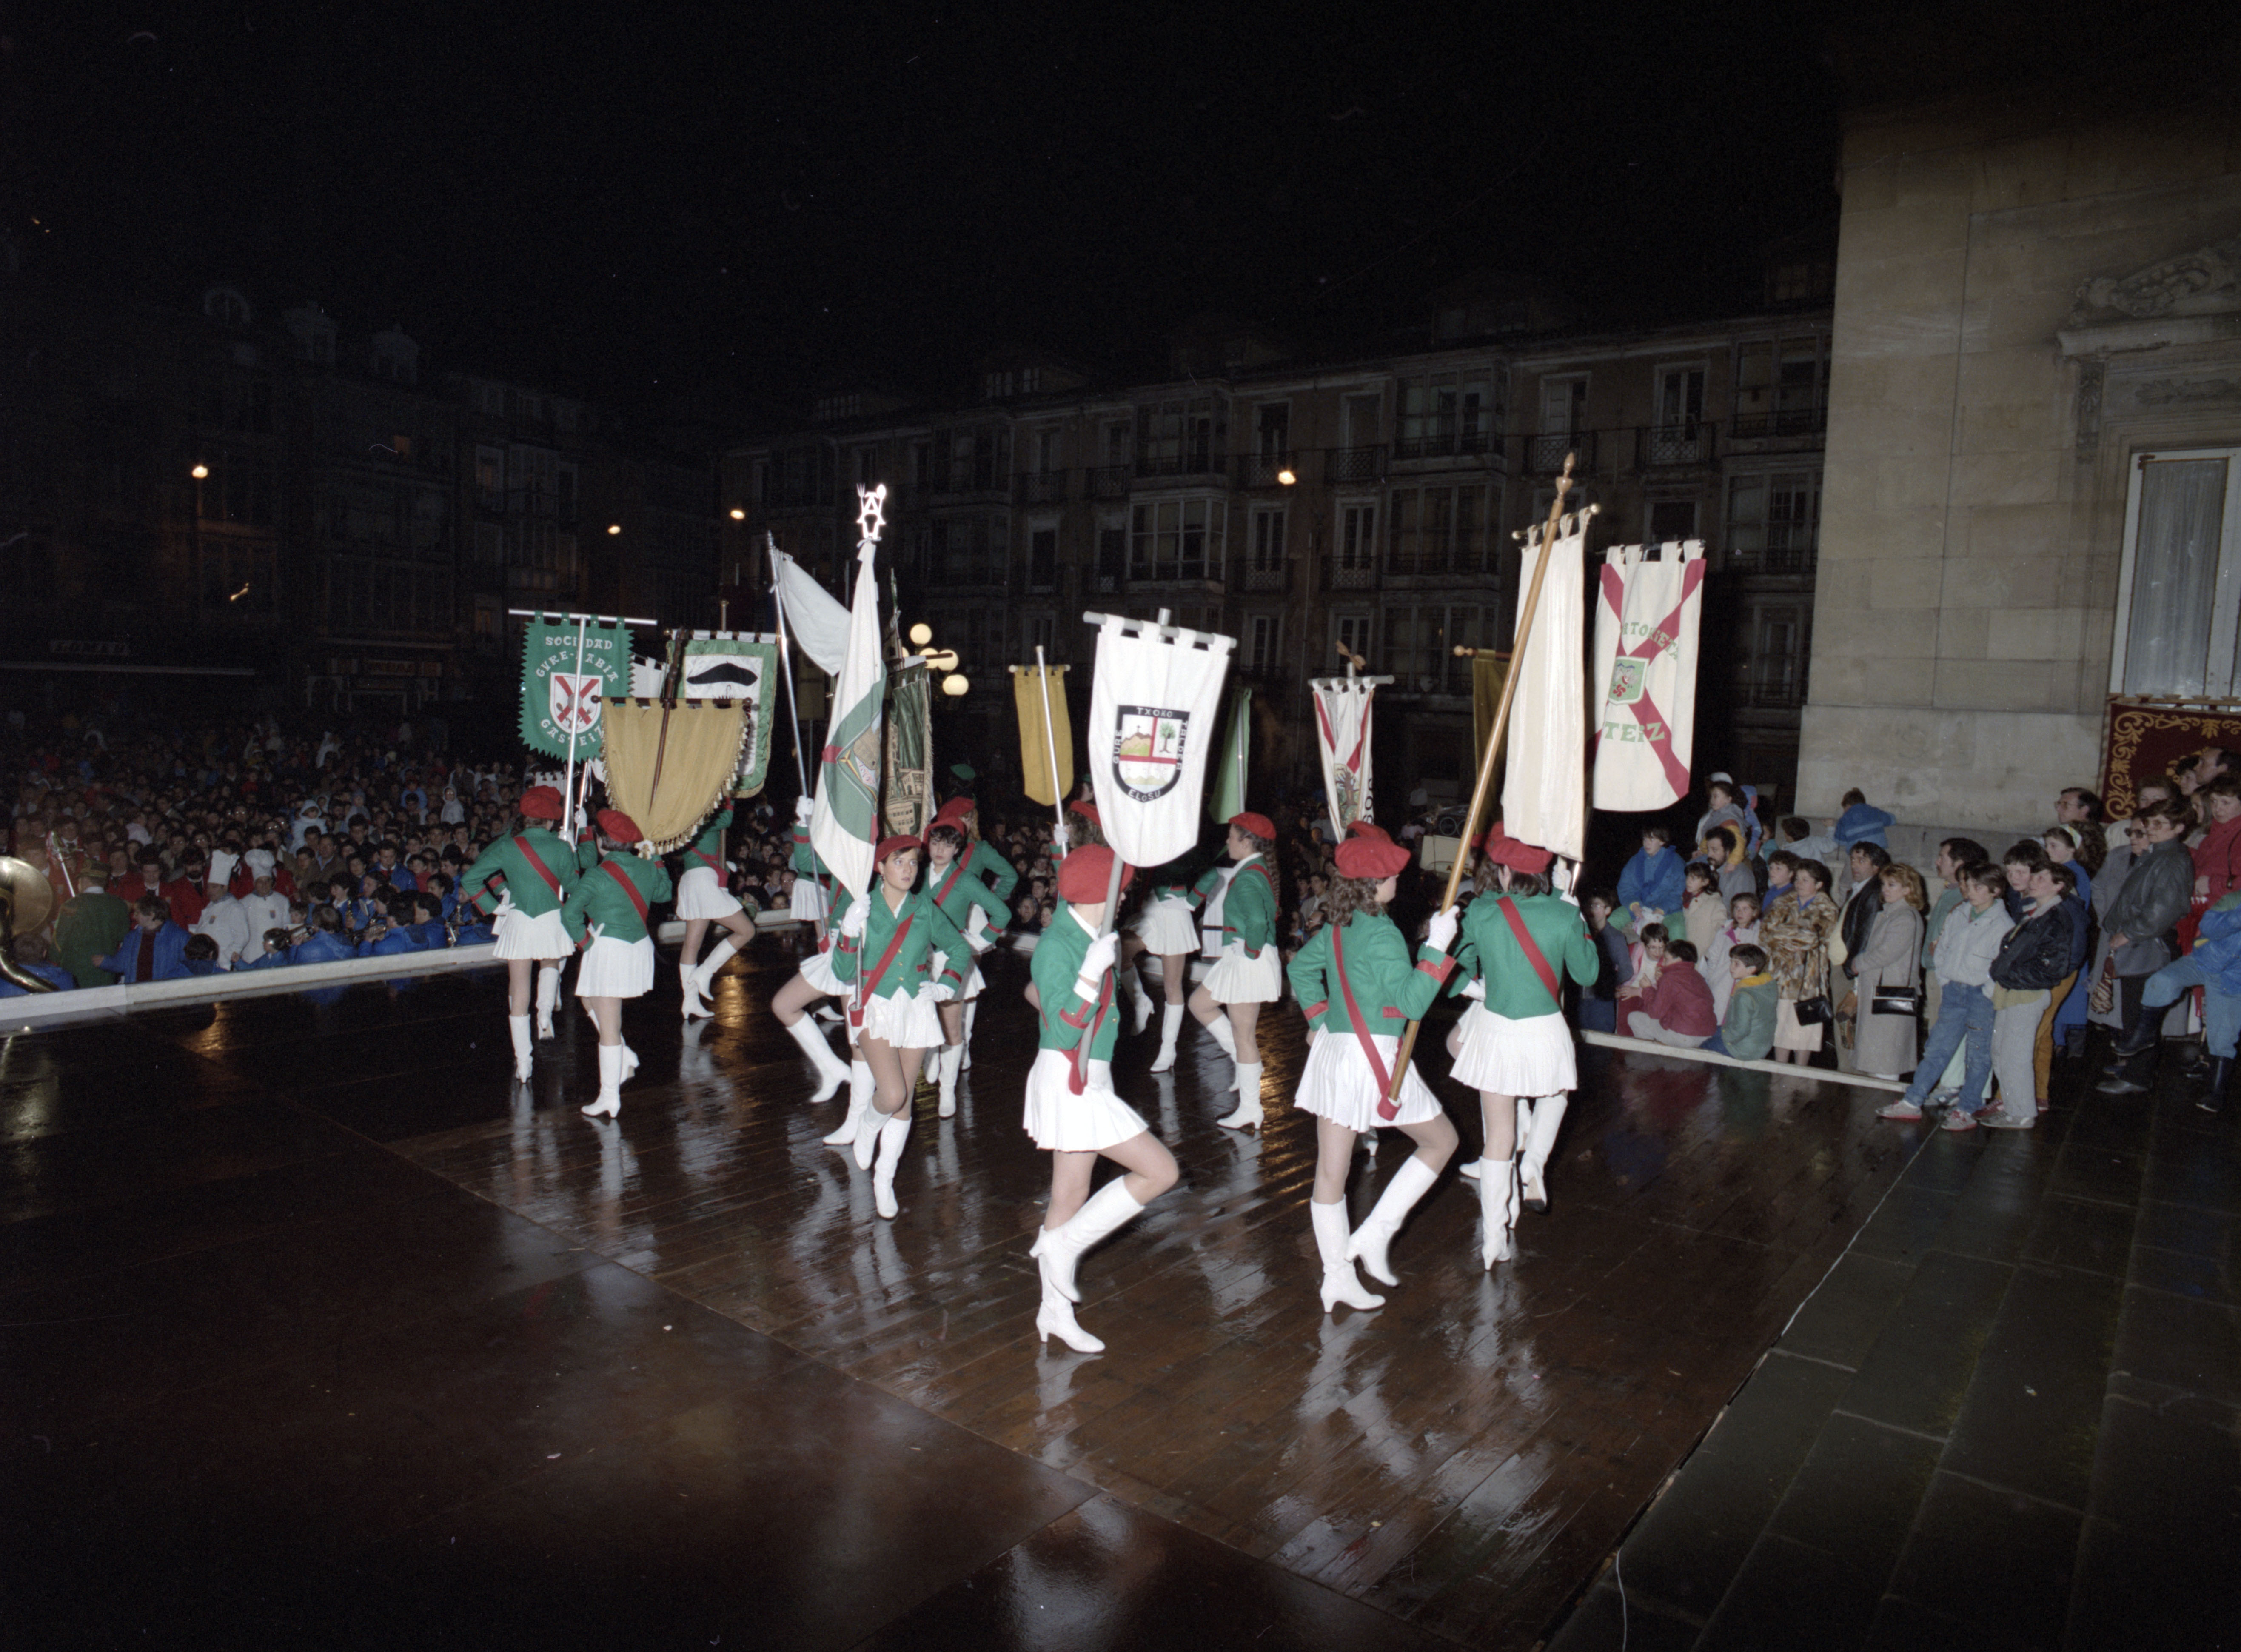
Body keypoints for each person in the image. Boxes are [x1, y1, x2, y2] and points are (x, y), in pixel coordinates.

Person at [1284, 833, 1461, 1312]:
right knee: (1442, 1142)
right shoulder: (1383, 933)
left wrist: (1320, 1022)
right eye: (1393, 873)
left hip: (1336, 1053)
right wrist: (1437, 946)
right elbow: (1412, 1003)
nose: (1399, 878)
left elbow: (1300, 970)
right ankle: (1376, 1233)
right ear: (1375, 883)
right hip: (1375, 1058)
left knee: (1331, 1171)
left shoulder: (1337, 926)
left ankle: (1337, 1277)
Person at [1022, 845, 1178, 1352]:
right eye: (1119, 888)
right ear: (1098, 892)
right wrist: (1090, 975)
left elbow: (1039, 998)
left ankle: (1054, 1312)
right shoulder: (1059, 945)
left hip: (1093, 1074)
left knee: (1069, 1195)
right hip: (1071, 1076)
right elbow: (1065, 1031)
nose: (1125, 896)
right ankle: (1064, 1246)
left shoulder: (1093, 936)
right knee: (1161, 1171)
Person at [1446, 823, 1598, 1261]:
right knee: (1556, 1094)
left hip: (1496, 1030)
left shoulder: (1481, 911)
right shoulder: (1564, 914)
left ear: (1506, 871)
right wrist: (1578, 917)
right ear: (1545, 872)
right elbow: (1588, 974)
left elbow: (1454, 970)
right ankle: (1534, 1163)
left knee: (1499, 1137)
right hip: (1545, 1029)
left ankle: (1495, 1238)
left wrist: (1478, 988)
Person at [827, 835, 968, 1218]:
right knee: (891, 1094)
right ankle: (867, 1125)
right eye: (899, 862)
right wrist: (849, 931)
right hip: (875, 1005)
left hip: (916, 1008)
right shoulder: (862, 906)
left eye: (914, 863)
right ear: (880, 867)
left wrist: (946, 985)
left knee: (905, 1102)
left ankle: (884, 1180)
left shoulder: (924, 907)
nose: (908, 870)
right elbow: (842, 972)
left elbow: (959, 948)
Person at [457, 785, 579, 1081]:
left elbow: (471, 879)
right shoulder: (561, 847)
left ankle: (524, 1063)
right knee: (551, 962)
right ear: (550, 820)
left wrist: (494, 907)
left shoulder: (508, 845)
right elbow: (573, 886)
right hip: (550, 916)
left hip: (519, 919)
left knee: (519, 988)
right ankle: (545, 1015)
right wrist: (572, 852)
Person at [1876, 862, 2012, 1127]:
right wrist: (1946, 980)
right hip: (1954, 992)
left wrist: (1987, 991)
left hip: (1981, 997)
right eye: (1968, 886)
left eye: (1978, 888)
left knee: (1978, 1055)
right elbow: (1942, 947)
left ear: (1995, 891)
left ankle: (1968, 1108)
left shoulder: (2003, 924)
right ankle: (1912, 1101)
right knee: (1937, 1048)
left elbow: (2002, 966)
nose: (1970, 892)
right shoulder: (1960, 912)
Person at [562, 810, 673, 1121]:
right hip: (639, 948)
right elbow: (665, 892)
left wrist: (585, 943)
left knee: (609, 1027)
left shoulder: (597, 875)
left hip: (609, 951)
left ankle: (609, 1097)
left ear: (601, 842)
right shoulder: (646, 866)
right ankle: (624, 1054)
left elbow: (569, 914)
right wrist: (655, 858)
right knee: (588, 998)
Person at [2097, 796, 2201, 1096]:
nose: (2150, 828)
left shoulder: (2172, 859)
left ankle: (2137, 1077)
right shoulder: (2158, 854)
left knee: (2140, 1014)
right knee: (2135, 1010)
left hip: (2149, 942)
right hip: (2140, 939)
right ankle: (2133, 1070)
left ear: (2179, 828)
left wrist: (2129, 933)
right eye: (2150, 822)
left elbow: (2165, 908)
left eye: (2159, 824)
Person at [1187, 812, 1282, 1130]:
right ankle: (1245, 1067)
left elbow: (1258, 921)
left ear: (1246, 841)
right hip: (1240, 957)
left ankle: (1251, 1108)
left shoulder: (1249, 877)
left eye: (1231, 836)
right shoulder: (1254, 869)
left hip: (1247, 959)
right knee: (1200, 1004)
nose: (1227, 841)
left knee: (1245, 1035)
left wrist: (1250, 951)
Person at [923, 809, 1013, 1116]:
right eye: (936, 842)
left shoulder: (965, 879)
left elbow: (1002, 913)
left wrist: (979, 941)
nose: (940, 850)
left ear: (957, 848)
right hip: (919, 956)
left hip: (951, 958)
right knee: (923, 1014)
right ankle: (931, 1055)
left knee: (952, 1026)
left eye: (948, 845)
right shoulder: (917, 874)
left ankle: (948, 1090)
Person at [1978, 860, 2079, 1128]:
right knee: (2001, 1052)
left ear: (2058, 886)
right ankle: (2013, 1107)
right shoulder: (2036, 914)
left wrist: (2007, 976)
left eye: (2041, 878)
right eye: (2034, 877)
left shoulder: (2056, 919)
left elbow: (2052, 969)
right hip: (2013, 993)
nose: (2033, 882)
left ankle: (2022, 1113)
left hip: (2026, 995)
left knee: (2016, 1056)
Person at [2139, 885, 2240, 1113]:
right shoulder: (2236, 900)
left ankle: (2217, 1094)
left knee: (2224, 1035)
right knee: (2161, 982)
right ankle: (2142, 1036)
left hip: (2234, 979)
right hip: (2206, 961)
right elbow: (2209, 927)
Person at [677, 804, 755, 1021]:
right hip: (703, 880)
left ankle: (690, 1000)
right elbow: (726, 819)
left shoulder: (683, 818)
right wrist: (728, 795)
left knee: (692, 945)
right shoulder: (700, 816)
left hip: (692, 878)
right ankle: (706, 972)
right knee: (746, 931)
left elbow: (705, 850)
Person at [1850, 862, 1926, 1081]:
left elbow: (1886, 953)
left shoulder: (1905, 917)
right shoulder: (1893, 913)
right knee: (1879, 1054)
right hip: (1880, 990)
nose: (1885, 889)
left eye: (1892, 885)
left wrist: (1858, 962)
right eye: (1884, 884)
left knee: (1887, 1056)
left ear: (1908, 889)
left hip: (1889, 991)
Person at [1760, 857, 1839, 1065]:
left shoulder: (1827, 908)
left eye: (1806, 880)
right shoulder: (1782, 902)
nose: (1799, 884)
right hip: (1781, 975)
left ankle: (1801, 1072)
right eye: (1798, 879)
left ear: (1819, 884)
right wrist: (1794, 936)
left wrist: (1781, 935)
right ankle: (1780, 1070)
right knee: (1781, 1027)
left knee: (1805, 1030)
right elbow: (1765, 934)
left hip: (1808, 980)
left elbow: (1812, 938)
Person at [1129, 857, 1205, 1072]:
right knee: (1121, 953)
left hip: (1174, 911)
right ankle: (1141, 1002)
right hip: (1151, 908)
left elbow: (1210, 874)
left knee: (1172, 986)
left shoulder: (1184, 844)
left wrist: (1192, 901)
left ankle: (1168, 1049)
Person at [1624, 938, 1717, 1047]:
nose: (1663, 963)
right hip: (1706, 1036)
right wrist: (1660, 982)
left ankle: (1648, 1055)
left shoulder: (1670, 978)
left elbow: (1655, 1013)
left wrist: (1647, 989)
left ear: (1678, 960)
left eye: (1666, 959)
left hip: (1685, 1036)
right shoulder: (1698, 977)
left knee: (1635, 1018)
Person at [97, 895, 192, 983]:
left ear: (151, 915)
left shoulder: (180, 937)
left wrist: (167, 982)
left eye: (137, 913)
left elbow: (191, 966)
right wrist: (104, 961)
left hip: (165, 993)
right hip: (135, 992)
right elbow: (121, 964)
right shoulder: (132, 937)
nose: (134, 916)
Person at [1706, 944, 1777, 1061]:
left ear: (1751, 969)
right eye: (1731, 962)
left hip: (1744, 1049)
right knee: (1709, 1030)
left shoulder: (1744, 995)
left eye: (1737, 964)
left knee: (1705, 1045)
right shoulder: (1764, 986)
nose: (1731, 967)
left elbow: (1741, 1031)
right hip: (1761, 1044)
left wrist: (1721, 1039)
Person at [1706, 891, 1761, 1023]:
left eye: (1745, 909)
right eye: (1737, 908)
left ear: (1755, 912)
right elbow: (1713, 956)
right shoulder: (1724, 931)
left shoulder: (1758, 934)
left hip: (1744, 984)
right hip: (1721, 981)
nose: (1740, 913)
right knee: (1716, 1015)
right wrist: (1711, 977)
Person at [1616, 824, 1685, 925]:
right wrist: (1634, 905)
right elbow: (1624, 887)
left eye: (1652, 839)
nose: (1647, 843)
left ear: (1662, 841)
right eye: (1645, 839)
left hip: (1669, 911)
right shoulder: (1634, 862)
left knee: (1677, 929)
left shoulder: (1677, 863)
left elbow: (1681, 891)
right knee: (1613, 922)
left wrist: (1663, 908)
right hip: (1639, 907)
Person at [788, 797, 833, 937]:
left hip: (825, 883)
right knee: (827, 928)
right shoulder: (820, 829)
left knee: (824, 929)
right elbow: (804, 861)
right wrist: (805, 822)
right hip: (812, 883)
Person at [1679, 861, 1725, 961]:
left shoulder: (1714, 903)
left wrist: (1710, 955)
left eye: (1694, 879)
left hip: (1704, 953)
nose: (1688, 882)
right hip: (1689, 952)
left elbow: (1721, 930)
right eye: (1688, 877)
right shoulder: (1686, 898)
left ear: (1705, 882)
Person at [1832, 788, 1894, 853]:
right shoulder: (1875, 812)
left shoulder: (1844, 819)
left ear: (1847, 806)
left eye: (1844, 809)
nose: (1844, 812)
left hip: (1859, 854)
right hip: (1879, 852)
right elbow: (1893, 820)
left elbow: (1840, 842)